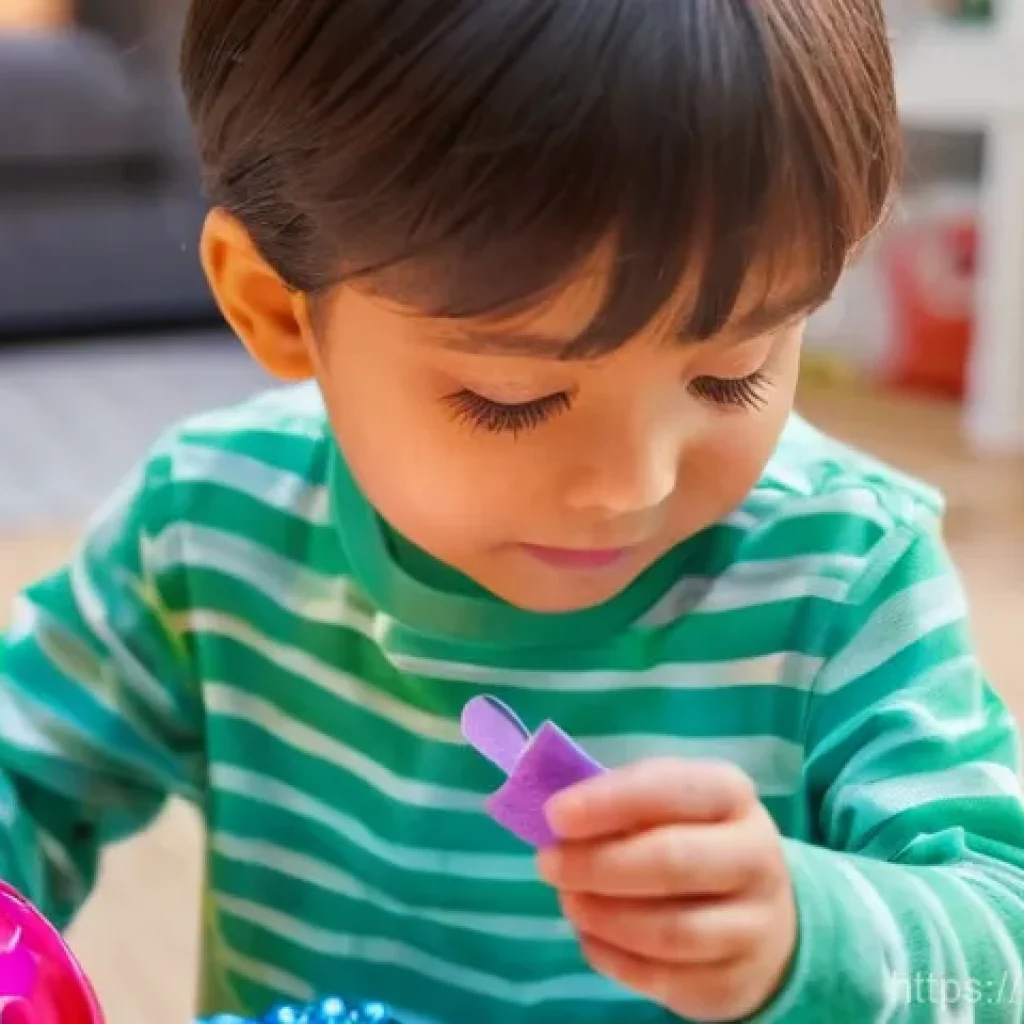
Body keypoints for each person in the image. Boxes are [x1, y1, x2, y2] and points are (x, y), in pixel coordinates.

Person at [2, 0, 1023, 1021]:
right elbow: (23, 773)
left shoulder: (843, 573)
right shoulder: (209, 525)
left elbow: (1000, 951)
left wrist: (810, 934)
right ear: (277, 309)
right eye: (513, 398)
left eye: (731, 375)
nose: (633, 485)